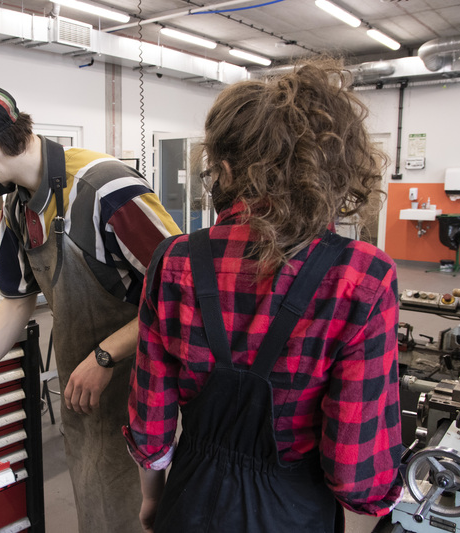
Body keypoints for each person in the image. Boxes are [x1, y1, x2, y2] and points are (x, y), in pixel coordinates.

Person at [123, 60, 404, 532]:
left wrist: (153, 501)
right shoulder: (363, 277)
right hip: (294, 513)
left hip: (189, 503)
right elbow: (357, 477)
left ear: (226, 167)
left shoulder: (174, 260)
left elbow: (151, 427)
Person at [0, 81, 182, 532]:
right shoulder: (19, 207)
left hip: (146, 387)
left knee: (149, 513)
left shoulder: (104, 188)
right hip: (87, 393)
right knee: (100, 507)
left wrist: (106, 355)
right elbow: (16, 302)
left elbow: (180, 292)